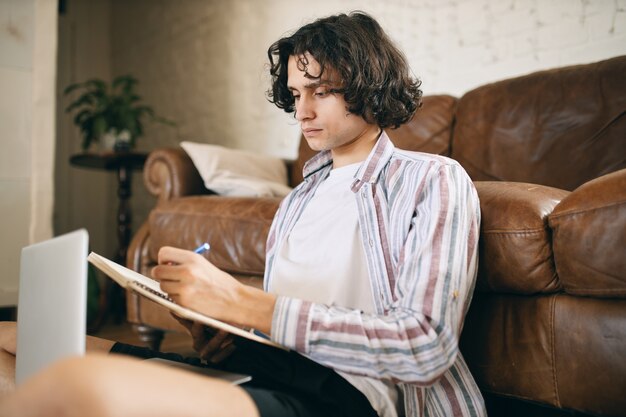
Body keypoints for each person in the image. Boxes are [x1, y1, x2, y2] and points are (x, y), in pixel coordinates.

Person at [0, 11, 485, 417]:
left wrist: (240, 302)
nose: (302, 111)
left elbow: (426, 346)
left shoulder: (432, 180)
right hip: (268, 366)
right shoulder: (298, 200)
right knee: (11, 342)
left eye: (320, 90)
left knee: (74, 387)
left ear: (368, 83)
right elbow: (276, 322)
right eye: (296, 95)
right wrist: (223, 332)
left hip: (348, 395)